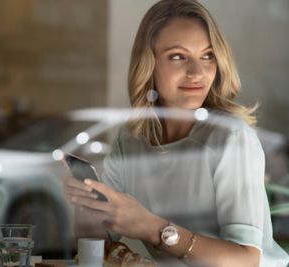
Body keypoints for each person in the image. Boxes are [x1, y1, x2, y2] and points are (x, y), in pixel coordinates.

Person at [64, 0, 289, 266]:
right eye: (178, 56)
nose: (198, 72)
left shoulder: (231, 137)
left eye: (207, 55)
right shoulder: (131, 138)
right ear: (149, 64)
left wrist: (154, 229)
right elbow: (99, 246)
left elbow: (246, 260)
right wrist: (86, 205)